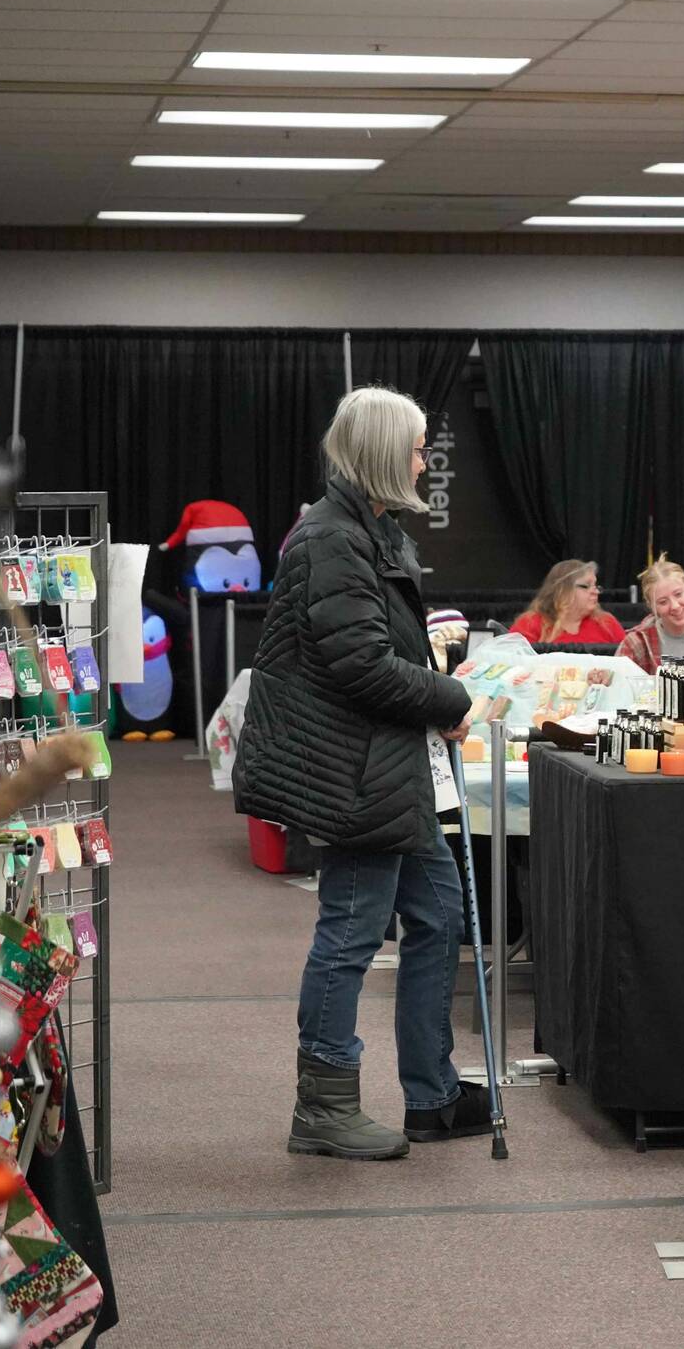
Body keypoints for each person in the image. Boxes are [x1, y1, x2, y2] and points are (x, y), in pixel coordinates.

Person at [235, 385, 489, 1162]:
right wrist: (448, 697)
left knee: (441, 914)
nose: (423, 460)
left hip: (384, 769)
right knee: (349, 932)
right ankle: (325, 1105)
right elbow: (362, 666)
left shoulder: (370, 531)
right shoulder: (332, 539)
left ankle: (432, 1093)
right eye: (415, 448)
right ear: (384, 454)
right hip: (351, 773)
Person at [509, 560, 625, 646]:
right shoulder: (529, 624)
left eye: (595, 586)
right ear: (562, 590)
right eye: (586, 586)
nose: (595, 592)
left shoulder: (607, 623)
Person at [617, 555, 684, 673]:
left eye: (678, 594)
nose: (675, 606)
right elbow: (615, 681)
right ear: (651, 605)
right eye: (663, 602)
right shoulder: (636, 643)